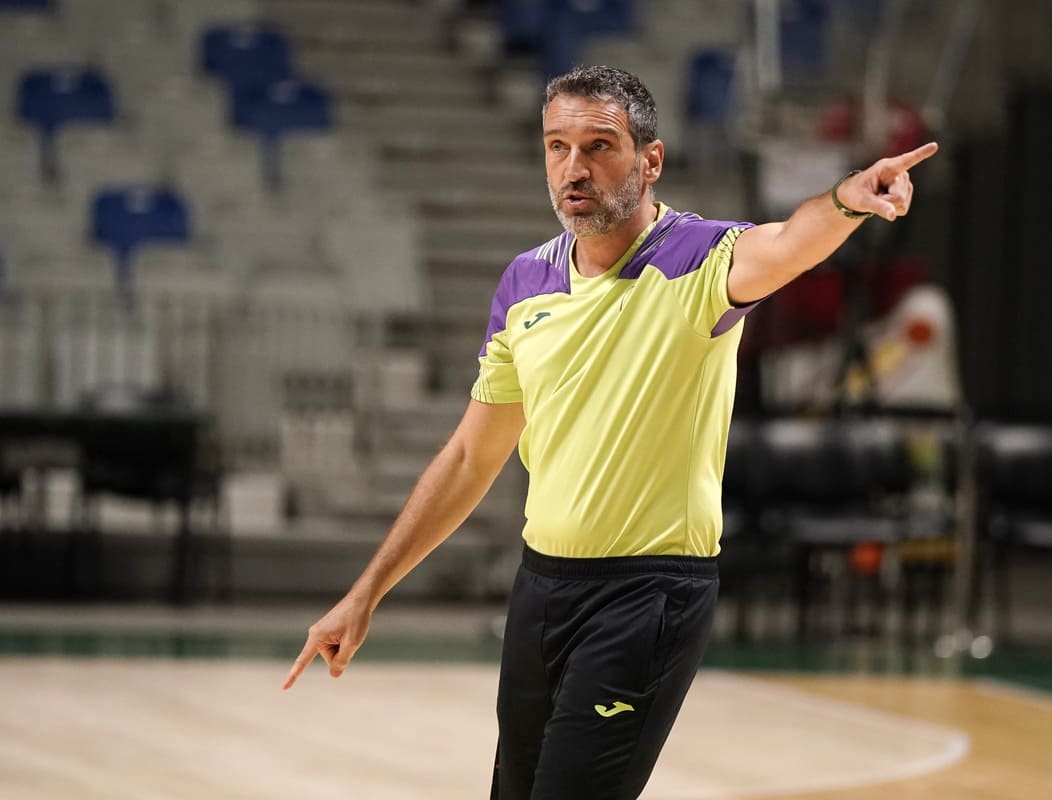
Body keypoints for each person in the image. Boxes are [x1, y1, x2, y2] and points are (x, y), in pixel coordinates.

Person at [282, 64, 938, 799]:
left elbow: (789, 241)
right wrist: (367, 592)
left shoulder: (701, 260)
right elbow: (469, 457)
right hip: (541, 588)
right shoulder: (524, 283)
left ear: (649, 161)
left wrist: (848, 199)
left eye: (598, 146)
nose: (574, 168)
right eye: (557, 146)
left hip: (647, 596)